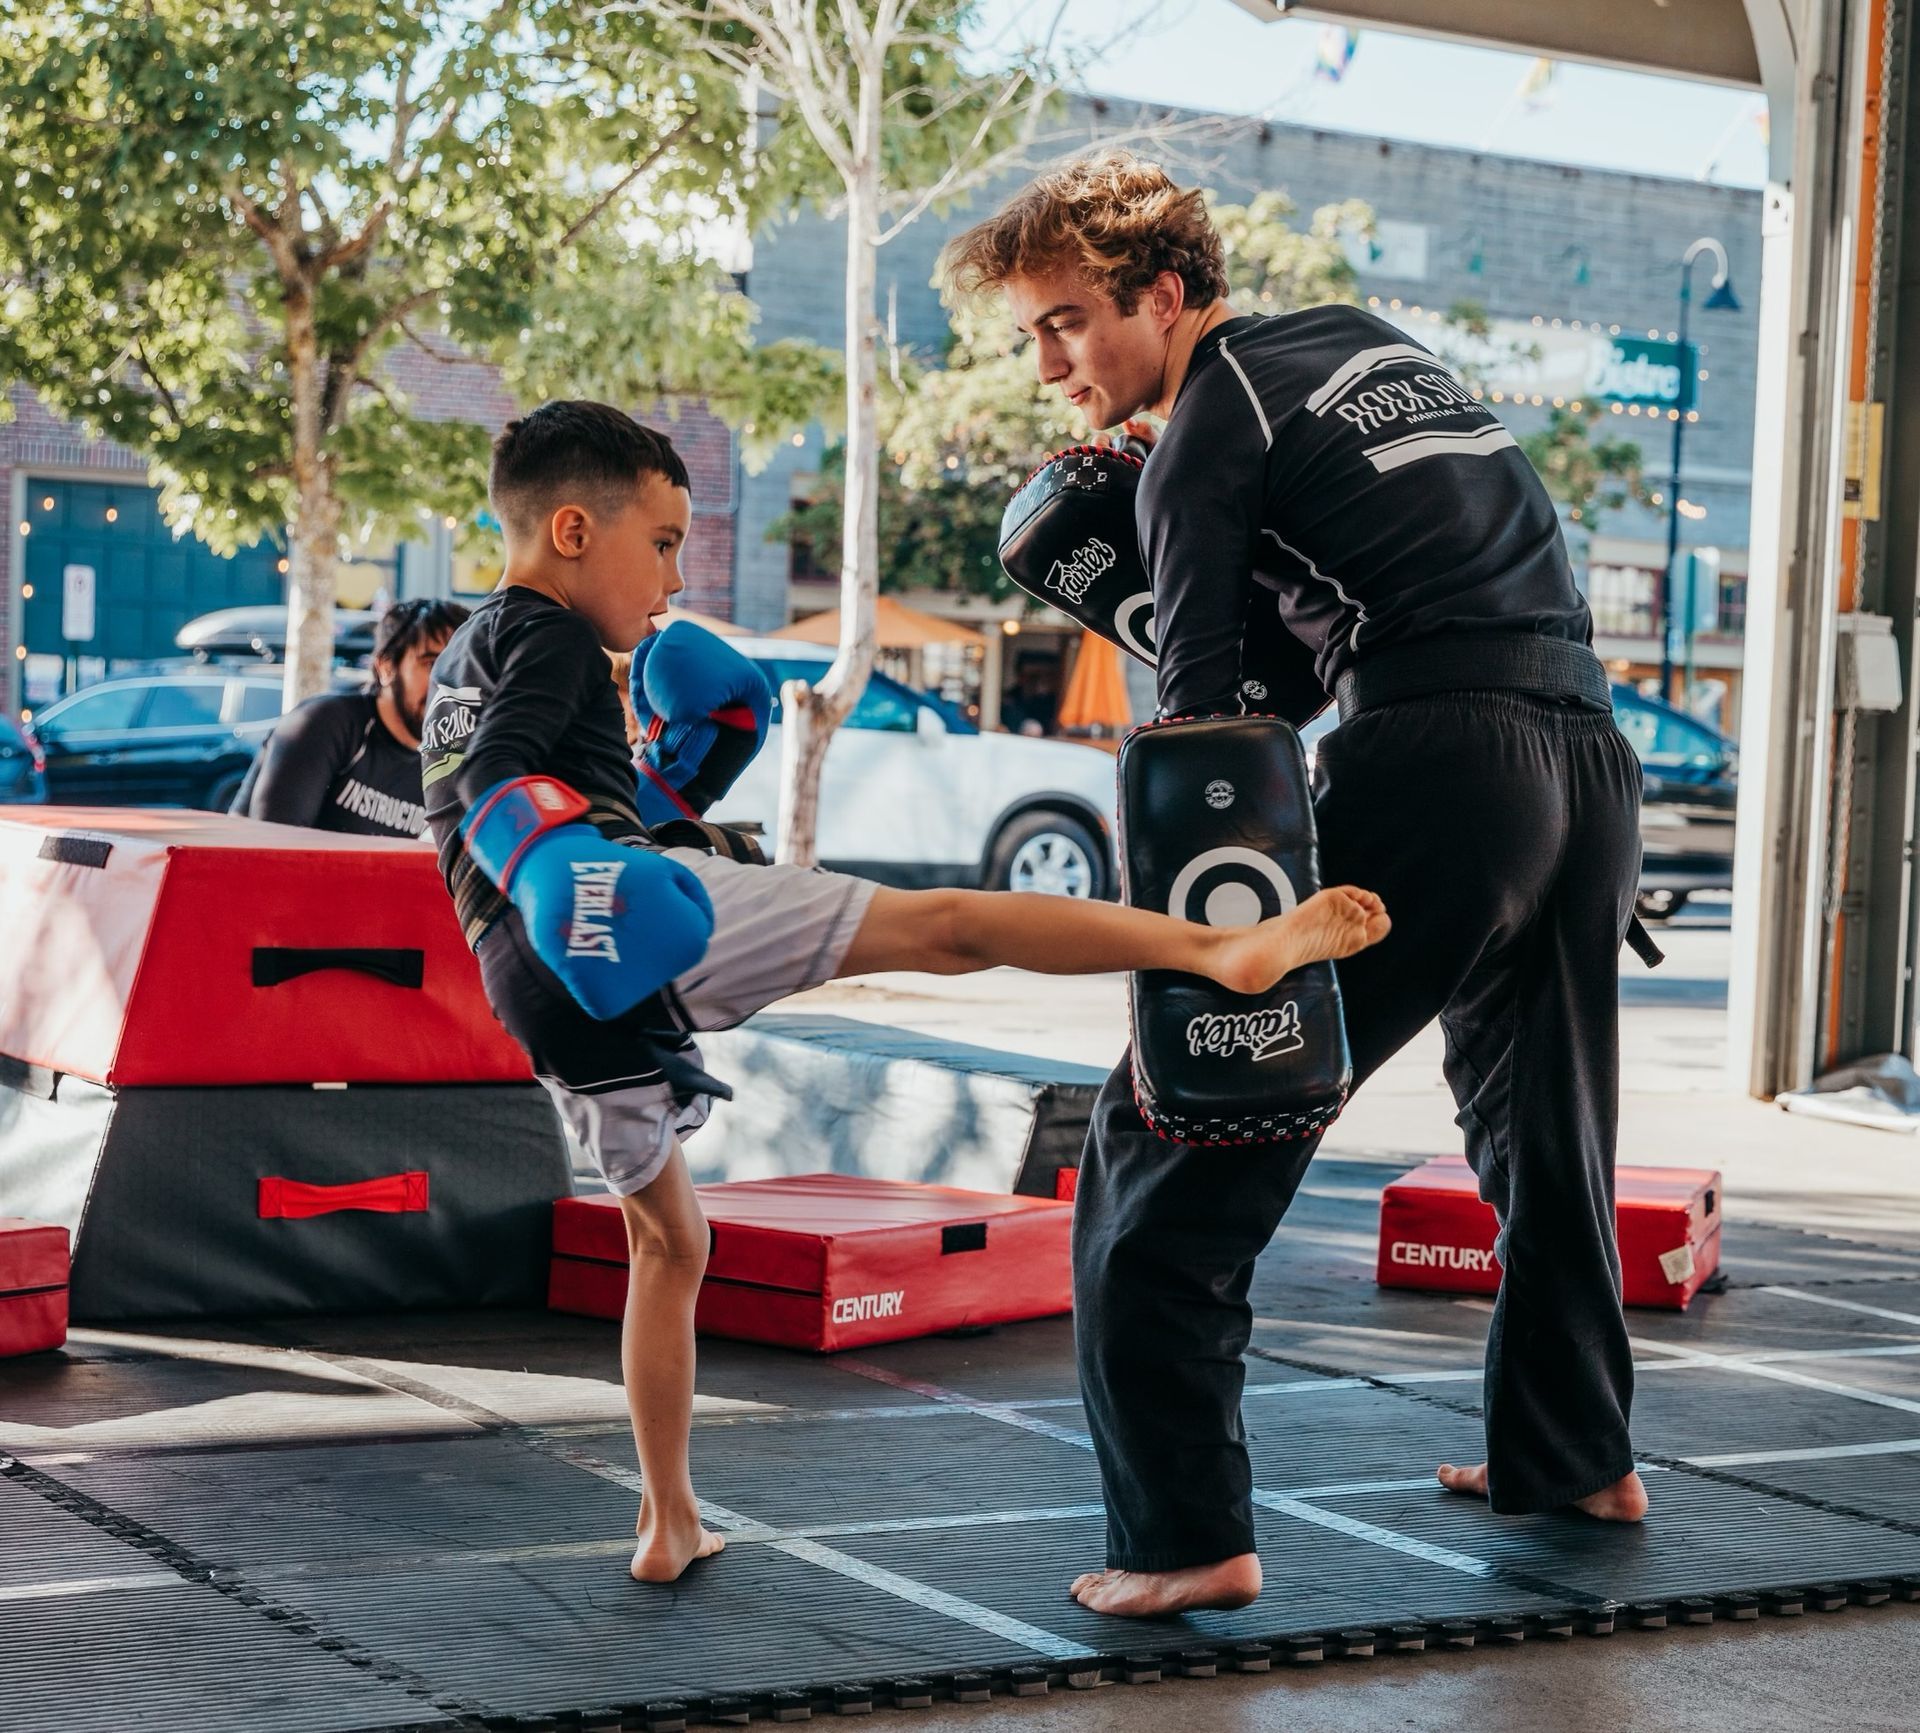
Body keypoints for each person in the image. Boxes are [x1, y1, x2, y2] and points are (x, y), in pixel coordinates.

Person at [420, 400, 1390, 1584]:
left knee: (670, 1241)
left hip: (544, 988)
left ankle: (667, 1516)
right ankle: (1215, 950)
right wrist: (574, 873)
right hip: (610, 912)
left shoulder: (467, 653)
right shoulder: (557, 641)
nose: (675, 575)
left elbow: (507, 785)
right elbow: (505, 792)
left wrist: (665, 792)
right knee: (949, 926)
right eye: (665, 540)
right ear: (574, 528)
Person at [941, 150, 1652, 1618]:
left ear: (1167, 291)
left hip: (1444, 762)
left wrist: (1211, 971)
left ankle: (1186, 1534)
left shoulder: (1206, 422)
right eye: (1030, 333)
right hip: (1587, 757)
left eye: (1070, 320)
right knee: (1542, 1125)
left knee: (1175, 1134)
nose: (1050, 362)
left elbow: (1211, 733)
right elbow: (1389, 577)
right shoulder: (1357, 344)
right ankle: (1579, 1453)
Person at [230, 597, 468, 836]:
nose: (447, 683)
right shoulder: (324, 724)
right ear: (386, 667)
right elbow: (274, 850)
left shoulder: (451, 758)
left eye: (460, 667)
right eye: (432, 664)